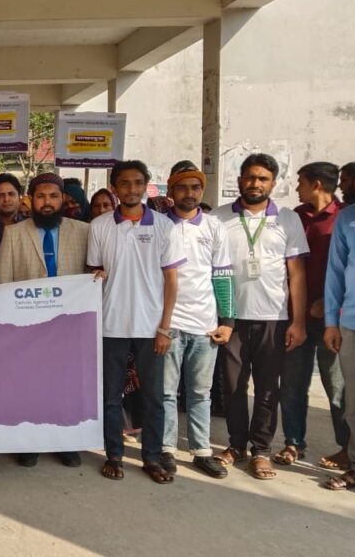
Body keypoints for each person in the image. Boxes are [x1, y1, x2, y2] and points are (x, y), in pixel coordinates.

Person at [212, 153, 308, 480]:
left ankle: (262, 450)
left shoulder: (288, 219)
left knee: (268, 388)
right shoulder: (219, 217)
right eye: (250, 177)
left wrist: (297, 322)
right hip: (231, 318)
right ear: (240, 180)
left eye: (263, 179)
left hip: (273, 318)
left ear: (273, 184)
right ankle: (236, 445)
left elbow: (297, 274)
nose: (256, 183)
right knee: (233, 387)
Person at [88, 160, 184, 484]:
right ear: (114, 187)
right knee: (110, 396)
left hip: (151, 327)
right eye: (125, 183)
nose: (132, 189)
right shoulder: (100, 226)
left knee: (154, 397)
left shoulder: (164, 226)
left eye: (138, 183)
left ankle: (152, 457)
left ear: (146, 185)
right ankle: (114, 455)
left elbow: (172, 280)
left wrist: (165, 327)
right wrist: (98, 275)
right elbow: (94, 272)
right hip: (110, 325)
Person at [0, 172, 89, 468]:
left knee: (65, 384)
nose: (47, 202)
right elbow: (3, 283)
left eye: (53, 196)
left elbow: (93, 275)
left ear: (63, 199)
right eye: (41, 196)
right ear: (31, 199)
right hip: (28, 327)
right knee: (29, 385)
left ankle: (65, 442)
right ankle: (30, 442)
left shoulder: (83, 232)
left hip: (68, 325)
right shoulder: (13, 233)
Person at [160, 167, 236, 479]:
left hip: (205, 324)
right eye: (183, 187)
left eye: (195, 187)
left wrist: (227, 320)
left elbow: (223, 274)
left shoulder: (214, 226)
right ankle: (165, 448)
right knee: (166, 392)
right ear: (171, 191)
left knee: (200, 393)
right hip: (169, 323)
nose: (189, 193)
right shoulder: (161, 226)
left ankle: (201, 450)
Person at [275, 162, 348, 469]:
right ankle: (294, 442)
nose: (296, 188)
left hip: (333, 322)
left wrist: (332, 307)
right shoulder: (295, 217)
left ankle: (347, 448)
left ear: (317, 184)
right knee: (292, 385)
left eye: (301, 182)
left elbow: (349, 270)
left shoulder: (344, 219)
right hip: (296, 318)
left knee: (337, 389)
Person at [321, 188, 355, 490]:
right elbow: (334, 274)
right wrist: (331, 322)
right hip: (353, 324)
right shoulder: (348, 219)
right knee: (354, 404)